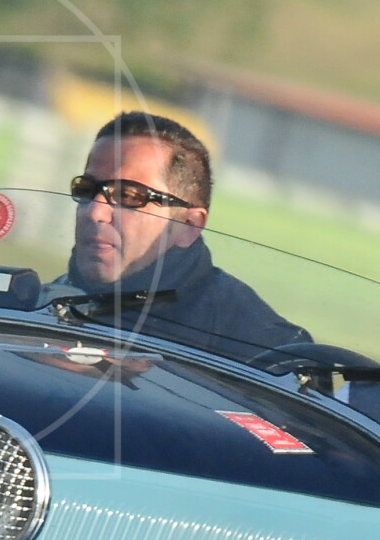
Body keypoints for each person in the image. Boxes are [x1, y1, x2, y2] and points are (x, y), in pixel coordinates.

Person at [55, 112, 308, 360]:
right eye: (86, 190)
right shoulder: (44, 303)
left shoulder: (263, 350)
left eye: (128, 195)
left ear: (189, 225)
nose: (95, 212)